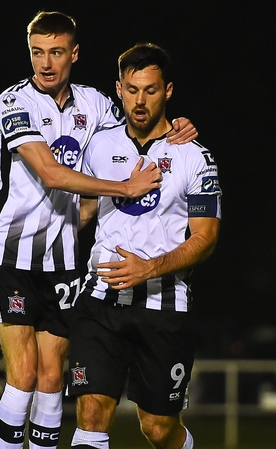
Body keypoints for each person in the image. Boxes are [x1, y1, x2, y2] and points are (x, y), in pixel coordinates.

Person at [0, 12, 199, 449]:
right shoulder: (13, 103)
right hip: (10, 256)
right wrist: (125, 187)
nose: (46, 63)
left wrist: (176, 126)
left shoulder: (94, 105)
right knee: (23, 374)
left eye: (56, 52)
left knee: (52, 377)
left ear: (74, 54)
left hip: (63, 260)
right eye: (37, 52)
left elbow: (138, 124)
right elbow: (52, 174)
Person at [66, 42, 221, 449]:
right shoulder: (98, 144)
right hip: (100, 301)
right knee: (92, 413)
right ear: (119, 89)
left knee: (157, 428)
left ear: (168, 91)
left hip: (163, 309)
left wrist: (149, 268)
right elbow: (80, 212)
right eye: (132, 90)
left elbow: (205, 239)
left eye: (150, 90)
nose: (140, 100)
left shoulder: (194, 157)